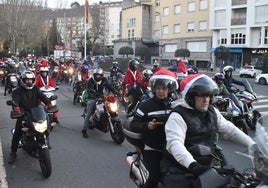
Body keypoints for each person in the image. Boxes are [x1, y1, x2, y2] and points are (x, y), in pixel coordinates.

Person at [160, 74, 256, 188]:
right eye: (201, 95)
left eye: (209, 95)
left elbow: (230, 130)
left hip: (204, 167)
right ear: (191, 97)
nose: (206, 99)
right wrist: (192, 165)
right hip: (178, 168)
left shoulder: (212, 111)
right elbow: (175, 144)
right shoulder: (178, 115)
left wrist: (252, 144)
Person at [130, 69, 178, 188]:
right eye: (158, 88)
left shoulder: (176, 105)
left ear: (170, 89)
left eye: (164, 88)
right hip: (153, 148)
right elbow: (134, 123)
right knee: (154, 178)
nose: (161, 91)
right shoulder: (146, 105)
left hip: (173, 147)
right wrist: (147, 126)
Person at [8, 71, 56, 164]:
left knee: (46, 125)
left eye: (30, 79)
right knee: (18, 132)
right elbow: (15, 101)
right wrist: (17, 108)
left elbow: (43, 97)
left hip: (35, 112)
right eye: (27, 79)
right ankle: (13, 152)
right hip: (23, 113)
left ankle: (45, 142)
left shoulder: (35, 89)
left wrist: (49, 104)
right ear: (23, 80)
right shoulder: (17, 91)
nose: (29, 81)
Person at [81, 67, 118, 138]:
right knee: (89, 113)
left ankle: (104, 122)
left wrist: (114, 91)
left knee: (109, 107)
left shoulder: (104, 79)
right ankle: (84, 130)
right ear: (94, 75)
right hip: (92, 98)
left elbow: (108, 86)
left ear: (102, 75)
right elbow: (89, 89)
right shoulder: (91, 81)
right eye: (96, 75)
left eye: (99, 75)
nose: (97, 76)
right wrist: (92, 92)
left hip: (102, 97)